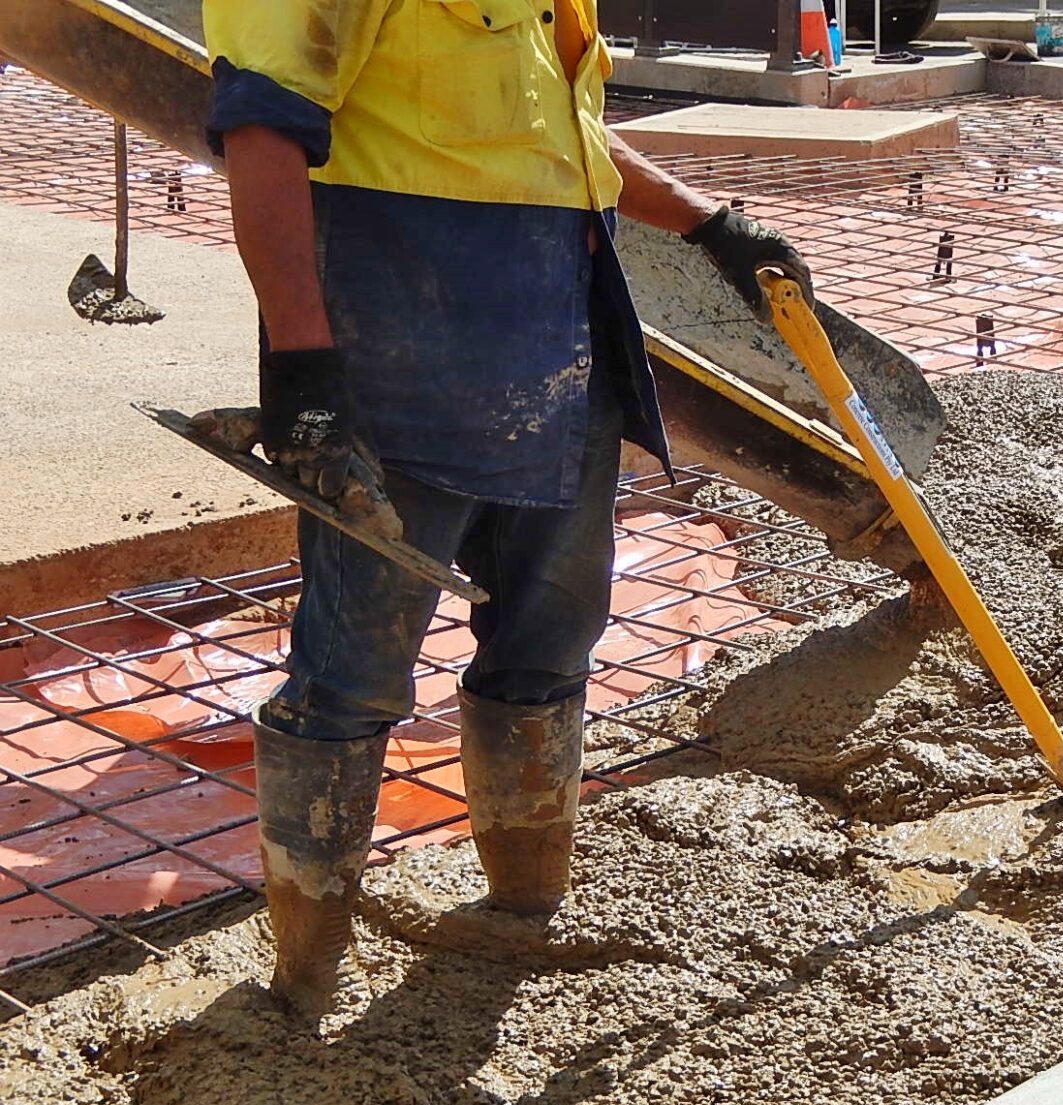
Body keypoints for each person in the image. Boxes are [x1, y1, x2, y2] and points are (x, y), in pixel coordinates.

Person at [202, 0, 813, 1014]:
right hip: (407, 355)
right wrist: (305, 370)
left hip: (556, 346)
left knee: (548, 637)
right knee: (353, 671)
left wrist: (708, 223)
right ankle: (307, 969)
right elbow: (262, 134)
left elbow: (555, 142)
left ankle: (522, 908)